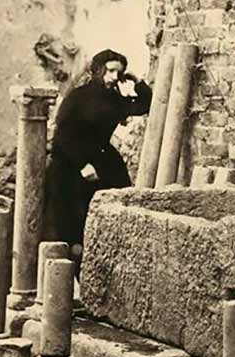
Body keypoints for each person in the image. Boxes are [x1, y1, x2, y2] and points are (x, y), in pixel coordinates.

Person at [41, 49, 152, 274]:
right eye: (109, 71)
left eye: (118, 72)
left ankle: (104, 267)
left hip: (101, 157)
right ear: (98, 70)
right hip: (71, 161)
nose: (113, 76)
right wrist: (82, 164)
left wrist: (136, 80)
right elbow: (63, 133)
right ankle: (65, 275)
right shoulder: (78, 96)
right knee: (71, 222)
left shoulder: (115, 97)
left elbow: (145, 105)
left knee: (117, 204)